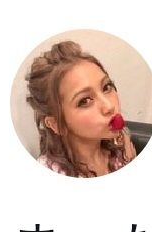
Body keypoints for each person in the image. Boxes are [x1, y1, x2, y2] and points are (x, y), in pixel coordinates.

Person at [25, 41, 137, 176]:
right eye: (85, 101)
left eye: (106, 87)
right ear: (56, 124)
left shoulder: (121, 147)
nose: (109, 106)